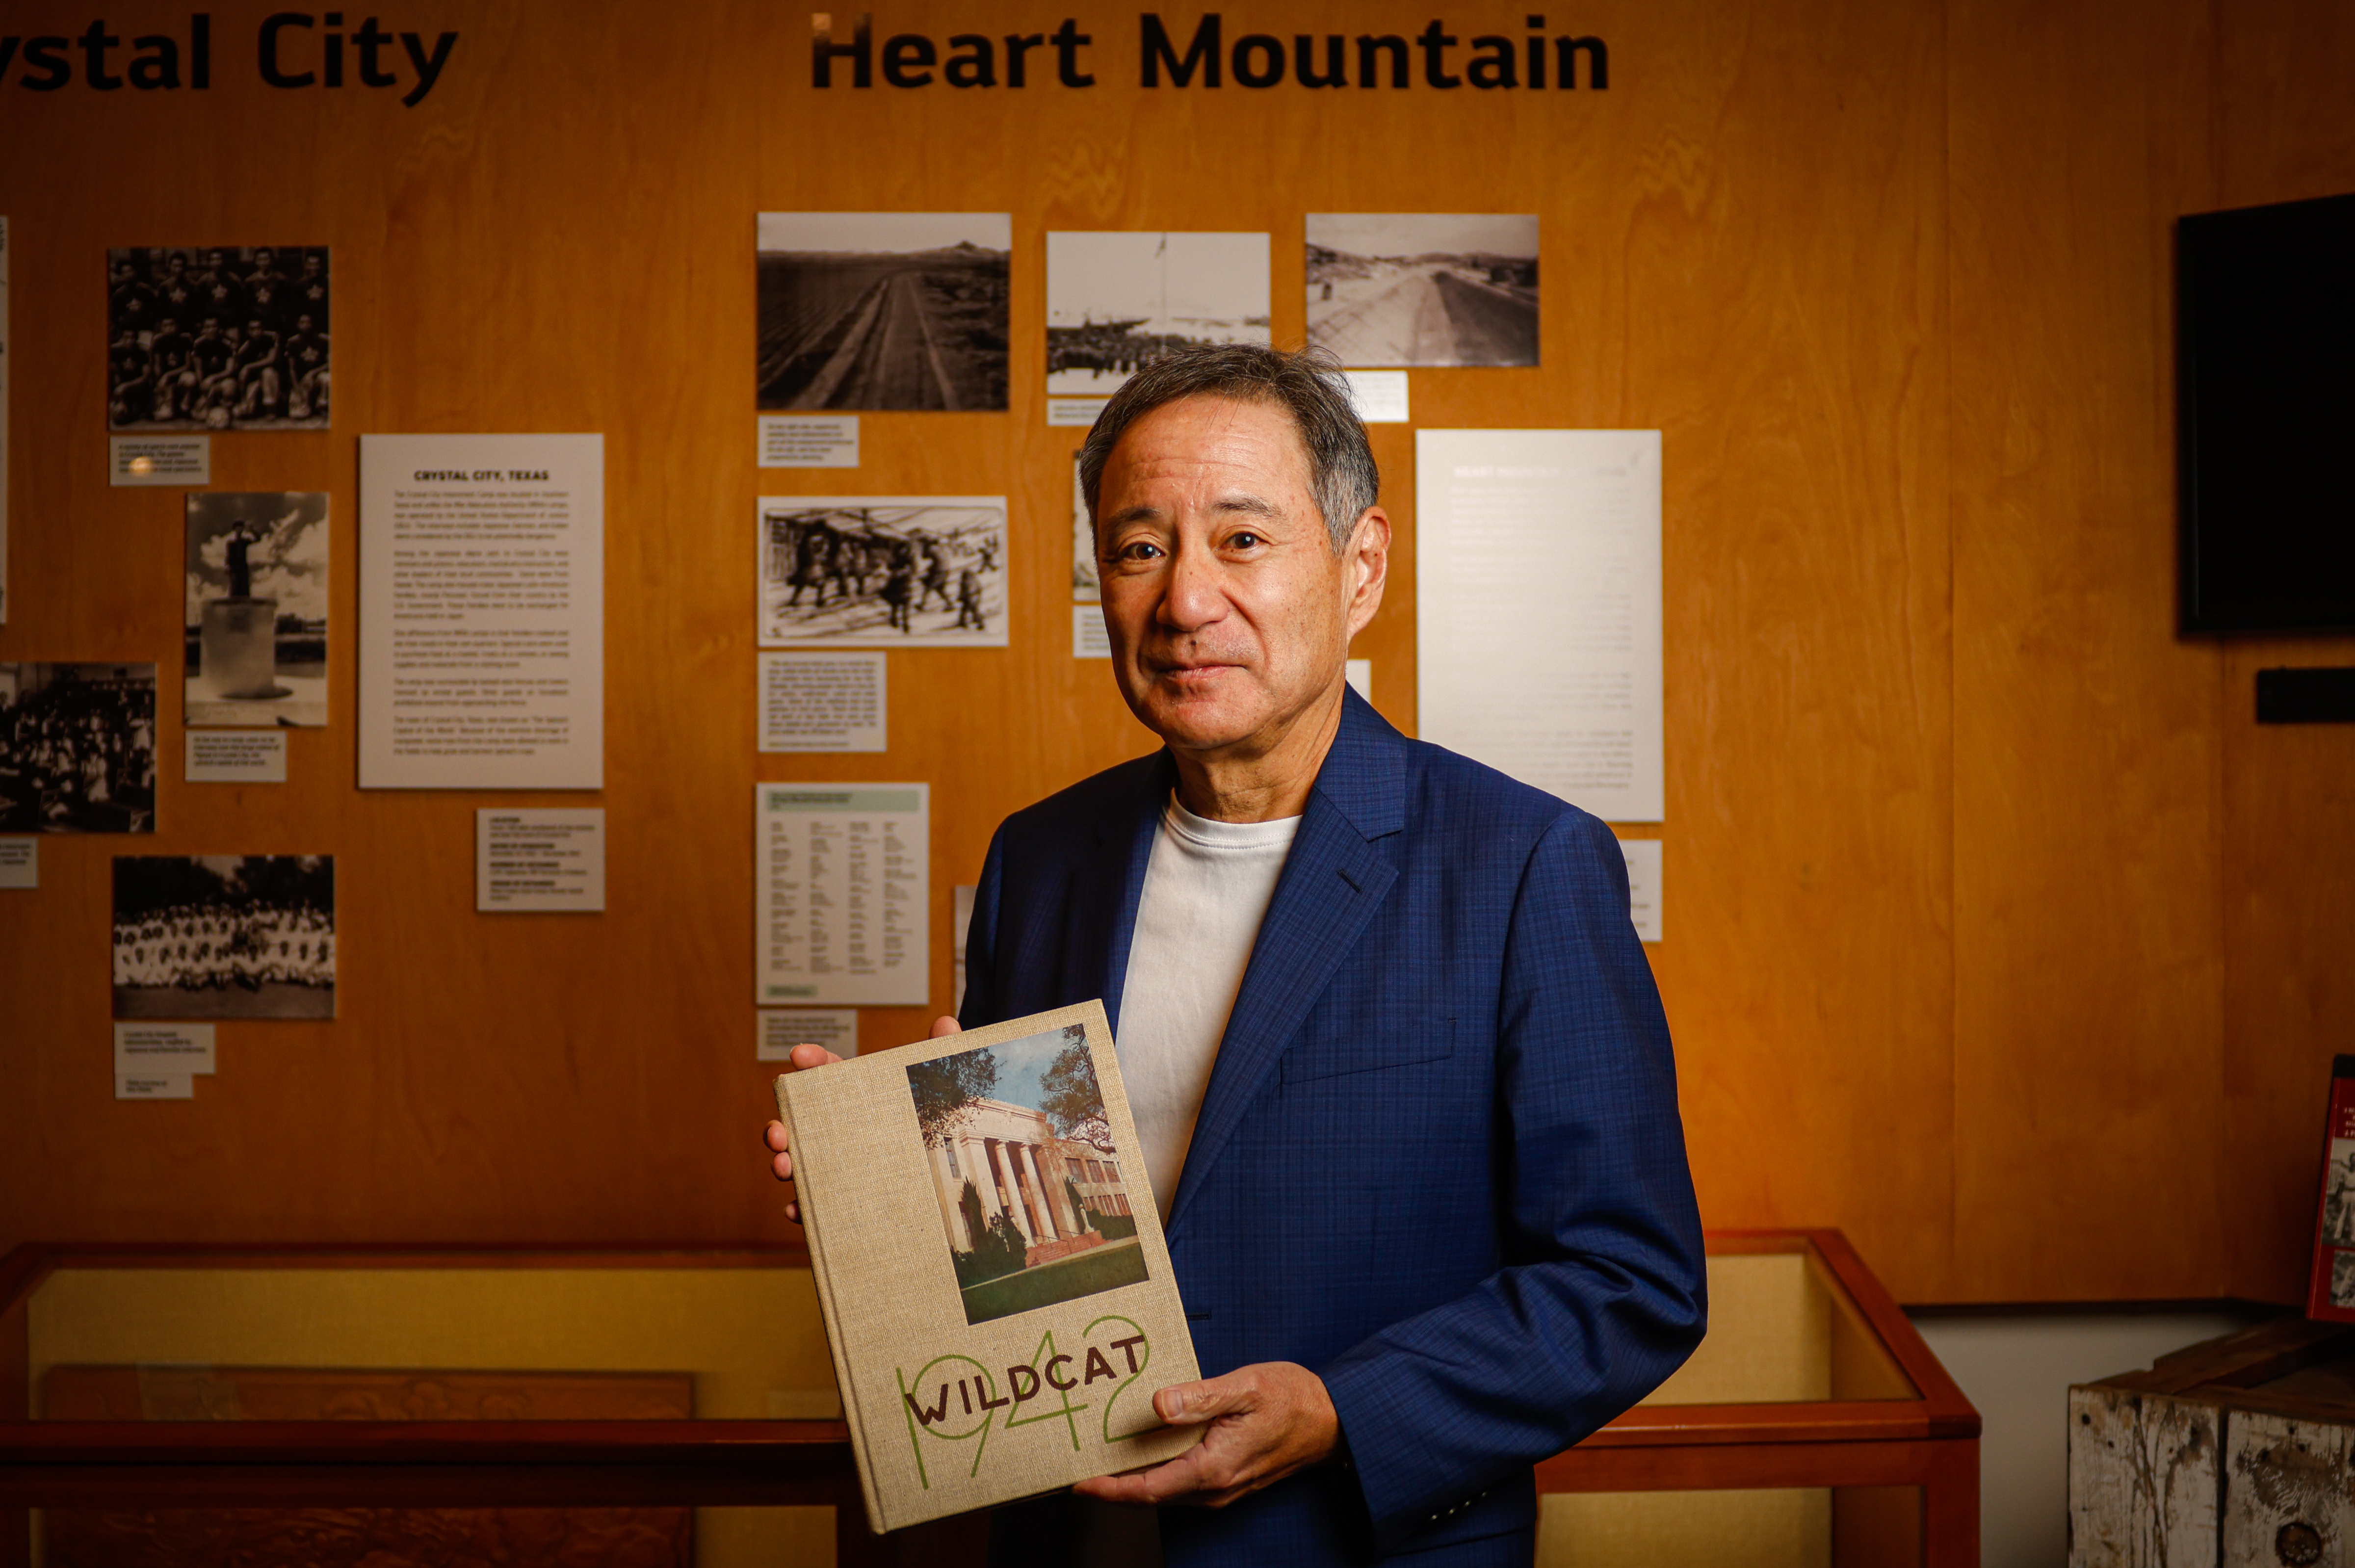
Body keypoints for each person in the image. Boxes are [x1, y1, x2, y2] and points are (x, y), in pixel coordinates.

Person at [763, 344, 1703, 1568]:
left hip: (1355, 1541)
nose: (1185, 600)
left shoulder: (1523, 863)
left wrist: (1342, 1410)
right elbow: (1029, 1250)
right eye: (1138, 548)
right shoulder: (1041, 859)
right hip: (1072, 1541)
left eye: (1242, 540)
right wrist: (886, 1195)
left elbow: (1631, 1279)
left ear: (1361, 566)